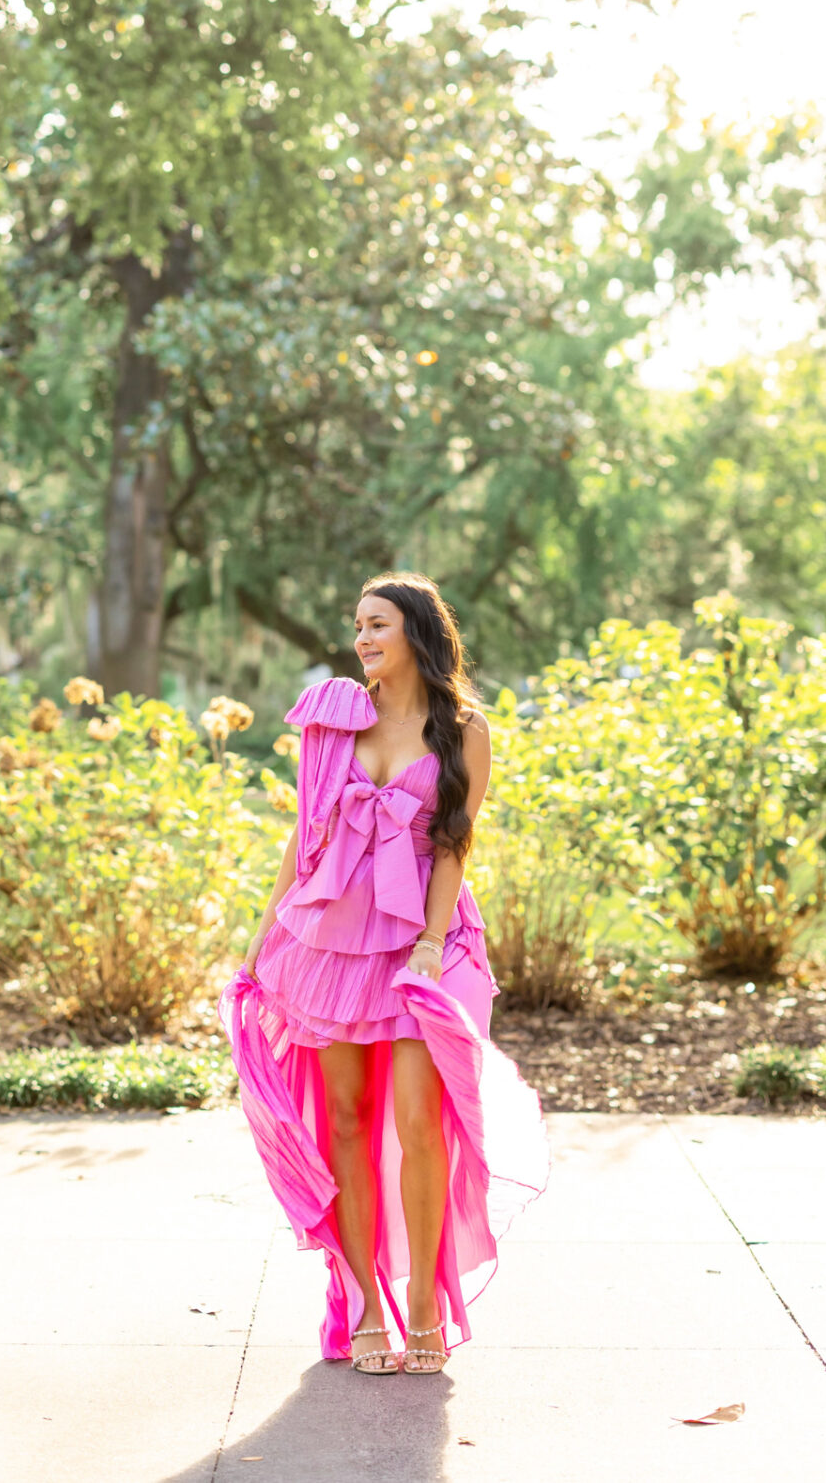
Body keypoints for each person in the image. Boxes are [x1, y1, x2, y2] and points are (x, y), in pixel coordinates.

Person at [219, 570, 549, 1375]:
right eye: (357, 625)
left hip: (423, 943)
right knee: (346, 1120)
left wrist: (431, 946)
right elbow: (304, 841)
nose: (361, 638)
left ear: (416, 633)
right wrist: (264, 941)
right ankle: (367, 1302)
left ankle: (429, 1307)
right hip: (331, 941)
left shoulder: (463, 729)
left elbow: (452, 845)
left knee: (418, 1119)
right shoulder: (336, 720)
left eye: (377, 625)